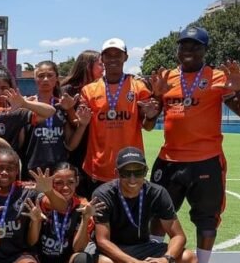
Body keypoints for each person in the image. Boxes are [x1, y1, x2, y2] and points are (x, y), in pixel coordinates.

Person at [148, 26, 240, 263]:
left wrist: (237, 90)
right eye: (184, 46)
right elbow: (150, 118)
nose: (188, 50)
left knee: (206, 219)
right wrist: (156, 95)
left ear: (205, 50)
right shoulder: (166, 77)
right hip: (169, 159)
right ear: (177, 49)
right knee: (158, 216)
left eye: (195, 46)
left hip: (206, 160)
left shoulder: (219, 77)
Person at [92, 147, 198, 263]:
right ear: (117, 172)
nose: (133, 179)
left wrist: (166, 259)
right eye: (126, 173)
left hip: (141, 248)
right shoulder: (103, 193)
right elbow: (102, 240)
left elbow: (178, 236)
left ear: (146, 171)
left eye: (138, 172)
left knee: (190, 261)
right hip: (112, 250)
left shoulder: (157, 193)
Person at [80, 38, 160, 191]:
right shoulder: (89, 90)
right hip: (97, 168)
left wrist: (150, 116)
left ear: (126, 57)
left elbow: (148, 127)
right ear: (102, 59)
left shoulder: (138, 86)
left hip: (130, 168)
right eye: (108, 55)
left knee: (131, 214)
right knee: (99, 214)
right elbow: (81, 124)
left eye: (117, 55)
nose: (113, 59)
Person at [0, 65, 56, 154]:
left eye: (4, 88)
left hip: (10, 163)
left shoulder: (15, 111)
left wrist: (25, 104)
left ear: (11, 88)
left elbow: (50, 112)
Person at [22, 61, 77, 178]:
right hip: (33, 170)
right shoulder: (28, 104)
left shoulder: (63, 105)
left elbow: (72, 136)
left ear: (57, 78)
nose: (45, 79)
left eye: (50, 75)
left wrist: (70, 109)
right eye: (41, 76)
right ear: (35, 79)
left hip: (59, 170)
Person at [60, 50, 103, 198]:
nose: (103, 68)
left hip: (96, 146)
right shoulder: (69, 89)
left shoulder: (101, 87)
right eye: (100, 64)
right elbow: (71, 122)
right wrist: (72, 111)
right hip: (77, 149)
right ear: (87, 65)